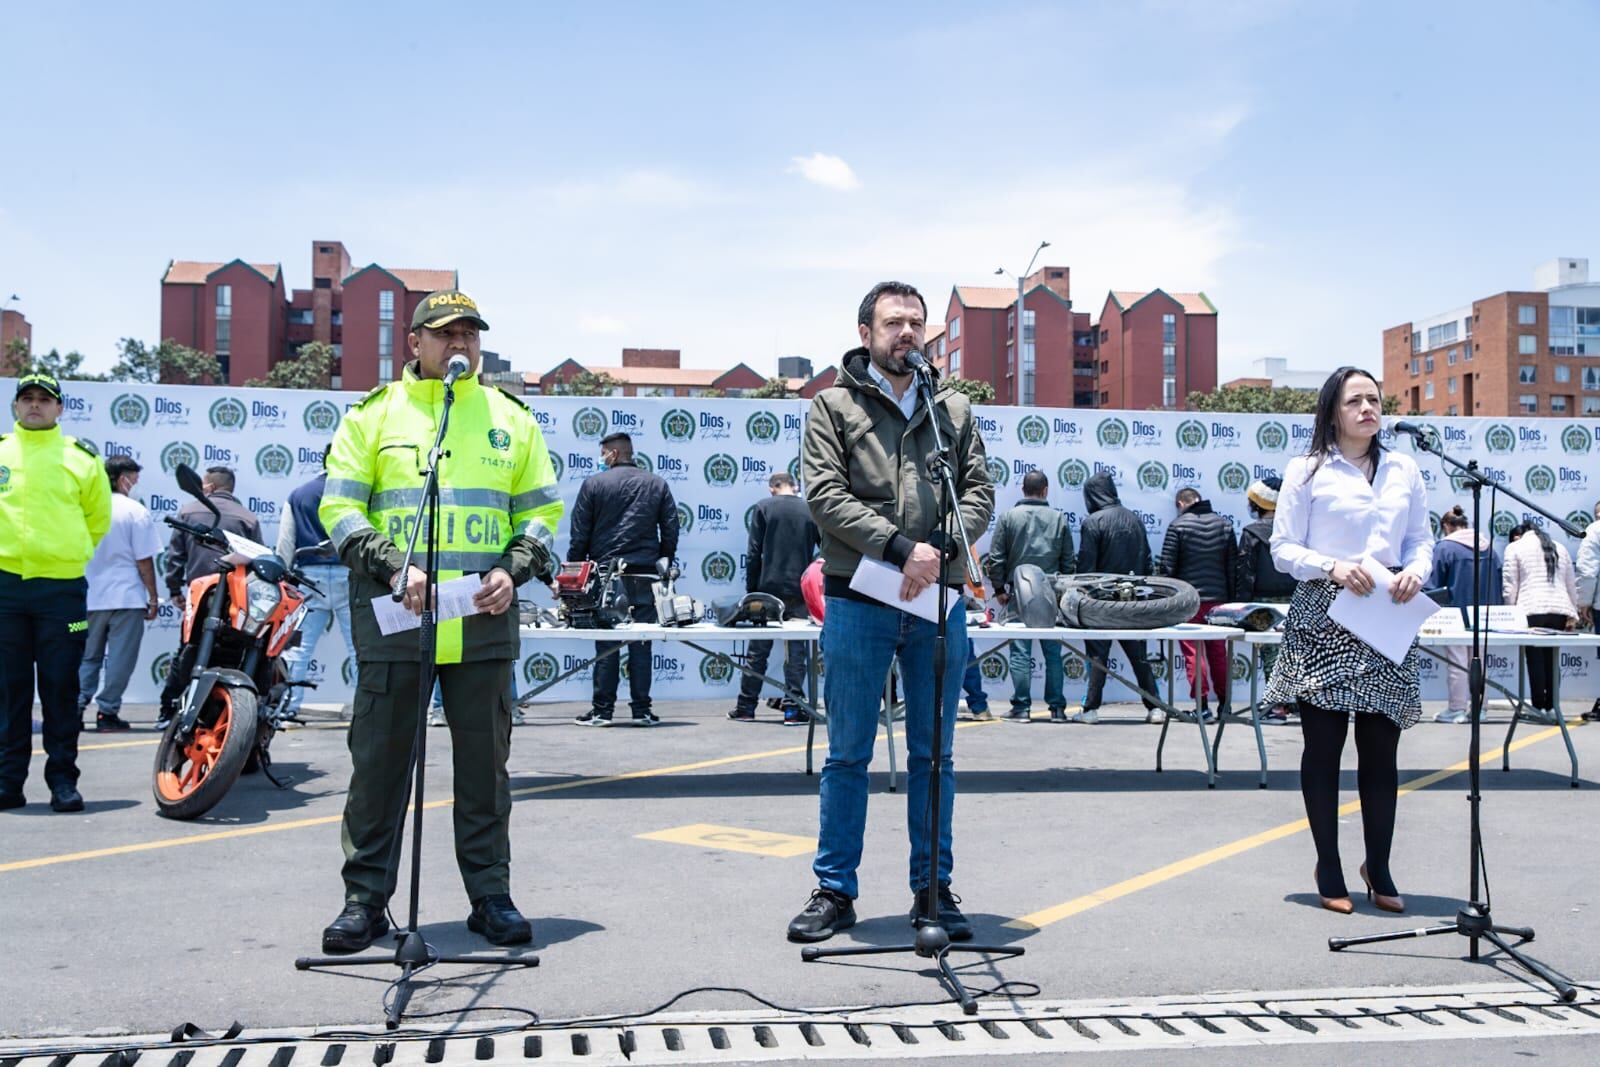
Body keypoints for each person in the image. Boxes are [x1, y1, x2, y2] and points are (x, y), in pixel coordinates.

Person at [317, 288, 563, 954]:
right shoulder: (374, 416)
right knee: (378, 767)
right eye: (446, 334)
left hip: (481, 623)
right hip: (398, 618)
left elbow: (542, 511)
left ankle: (490, 895)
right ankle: (365, 901)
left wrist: (515, 568)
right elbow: (339, 510)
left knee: (485, 772)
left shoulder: (512, 417)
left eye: (470, 335)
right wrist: (395, 564)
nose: (461, 345)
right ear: (415, 345)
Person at [788, 280, 994, 944]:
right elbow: (824, 495)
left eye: (917, 323)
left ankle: (932, 887)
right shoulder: (833, 405)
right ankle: (834, 890)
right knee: (848, 753)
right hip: (859, 598)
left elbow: (978, 489)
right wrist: (903, 548)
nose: (908, 333)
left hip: (936, 599)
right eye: (894, 322)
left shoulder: (951, 409)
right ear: (865, 332)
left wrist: (945, 551)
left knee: (936, 756)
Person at [1264, 366, 1432, 916]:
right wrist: (1331, 566)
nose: (1368, 408)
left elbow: (1419, 539)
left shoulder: (1404, 467)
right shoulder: (1308, 470)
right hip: (1326, 613)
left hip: (1385, 610)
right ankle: (1329, 865)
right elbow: (1283, 549)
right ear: (1332, 411)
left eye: (1374, 399)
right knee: (1325, 749)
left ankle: (1378, 864)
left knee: (1382, 751)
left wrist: (1416, 571)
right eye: (1355, 400)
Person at [0, 371, 112, 813]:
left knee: (60, 688)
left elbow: (97, 519)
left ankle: (63, 781)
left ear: (59, 408)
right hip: (5, 587)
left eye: (44, 400)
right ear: (15, 407)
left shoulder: (80, 459)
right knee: (9, 691)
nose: (34, 406)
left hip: (61, 590)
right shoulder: (1, 453)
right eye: (26, 398)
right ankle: (8, 783)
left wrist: (66, 553)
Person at [567, 431, 678, 726]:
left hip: (607, 576)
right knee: (642, 643)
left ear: (613, 454)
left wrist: (574, 577)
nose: (601, 459)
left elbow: (579, 534)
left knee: (607, 644)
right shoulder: (657, 483)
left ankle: (603, 711)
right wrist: (663, 563)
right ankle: (642, 710)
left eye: (603, 454)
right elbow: (671, 530)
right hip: (647, 574)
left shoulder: (593, 484)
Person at [158, 465, 262, 728]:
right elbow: (256, 564)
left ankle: (168, 710)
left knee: (187, 648)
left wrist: (173, 589)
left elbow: (175, 557)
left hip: (199, 596)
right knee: (237, 652)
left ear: (210, 487)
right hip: (236, 601)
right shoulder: (247, 517)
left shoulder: (189, 510)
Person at [79, 455, 162, 731]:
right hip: (126, 597)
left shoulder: (85, 508)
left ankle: (75, 708)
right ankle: (107, 711)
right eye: (134, 479)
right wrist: (152, 596)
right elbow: (144, 561)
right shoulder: (134, 511)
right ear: (122, 478)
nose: (136, 484)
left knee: (87, 657)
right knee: (120, 659)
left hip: (90, 596)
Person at [729, 471, 818, 725]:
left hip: (767, 589)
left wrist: (751, 591)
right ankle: (793, 709)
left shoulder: (764, 507)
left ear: (772, 488)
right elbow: (824, 550)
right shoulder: (810, 510)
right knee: (796, 652)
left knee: (758, 651)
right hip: (801, 589)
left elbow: (754, 553)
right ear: (795, 486)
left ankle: (746, 706)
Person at [985, 470, 1075, 722]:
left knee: (1020, 652)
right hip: (1051, 594)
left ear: (1023, 490)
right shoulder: (1059, 519)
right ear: (1045, 490)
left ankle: (1022, 708)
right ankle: (1057, 708)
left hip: (1018, 593)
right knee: (1053, 653)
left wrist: (1000, 590)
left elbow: (996, 559)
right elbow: (1069, 562)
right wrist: (1064, 594)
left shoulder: (1008, 517)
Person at [1074, 471, 1162, 723]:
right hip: (1133, 599)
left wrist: (1082, 595)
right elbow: (1147, 561)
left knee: (1097, 657)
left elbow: (1086, 568)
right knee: (1139, 658)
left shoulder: (1093, 522)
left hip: (1101, 602)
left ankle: (1090, 710)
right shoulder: (1135, 519)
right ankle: (1154, 708)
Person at [274, 464, 356, 721]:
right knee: (358, 649)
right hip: (347, 573)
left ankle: (288, 707)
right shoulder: (352, 492)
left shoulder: (299, 494)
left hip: (310, 577)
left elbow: (286, 541)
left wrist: (283, 576)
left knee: (299, 649)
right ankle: (364, 709)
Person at [1157, 486, 1238, 719]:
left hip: (1189, 601)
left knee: (1193, 653)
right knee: (1218, 654)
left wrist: (1167, 601)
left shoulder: (1178, 526)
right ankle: (1225, 706)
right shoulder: (1224, 525)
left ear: (1181, 504)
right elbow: (1233, 568)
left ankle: (1202, 707)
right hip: (1219, 602)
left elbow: (1167, 569)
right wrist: (1232, 602)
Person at [1427, 505, 1502, 724]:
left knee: (1457, 663)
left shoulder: (1444, 548)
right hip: (1485, 614)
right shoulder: (1489, 548)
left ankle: (1457, 708)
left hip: (1453, 615)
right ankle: (1480, 709)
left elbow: (1433, 584)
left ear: (1446, 526)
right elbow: (1498, 579)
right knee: (1480, 663)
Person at [1502, 521, 1579, 725]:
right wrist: (1573, 613)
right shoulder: (1559, 547)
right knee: (1552, 658)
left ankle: (1538, 707)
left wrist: (1510, 612)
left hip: (1531, 608)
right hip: (1559, 610)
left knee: (1534, 659)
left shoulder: (1515, 547)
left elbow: (1510, 584)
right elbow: (1571, 583)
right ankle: (1553, 706)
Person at [1236, 477, 1296, 723]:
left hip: (1262, 600)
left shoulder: (1251, 533)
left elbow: (1245, 572)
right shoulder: (1296, 531)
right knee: (1295, 652)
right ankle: (1293, 702)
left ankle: (1277, 706)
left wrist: (1240, 605)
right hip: (1295, 598)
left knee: (1270, 653)